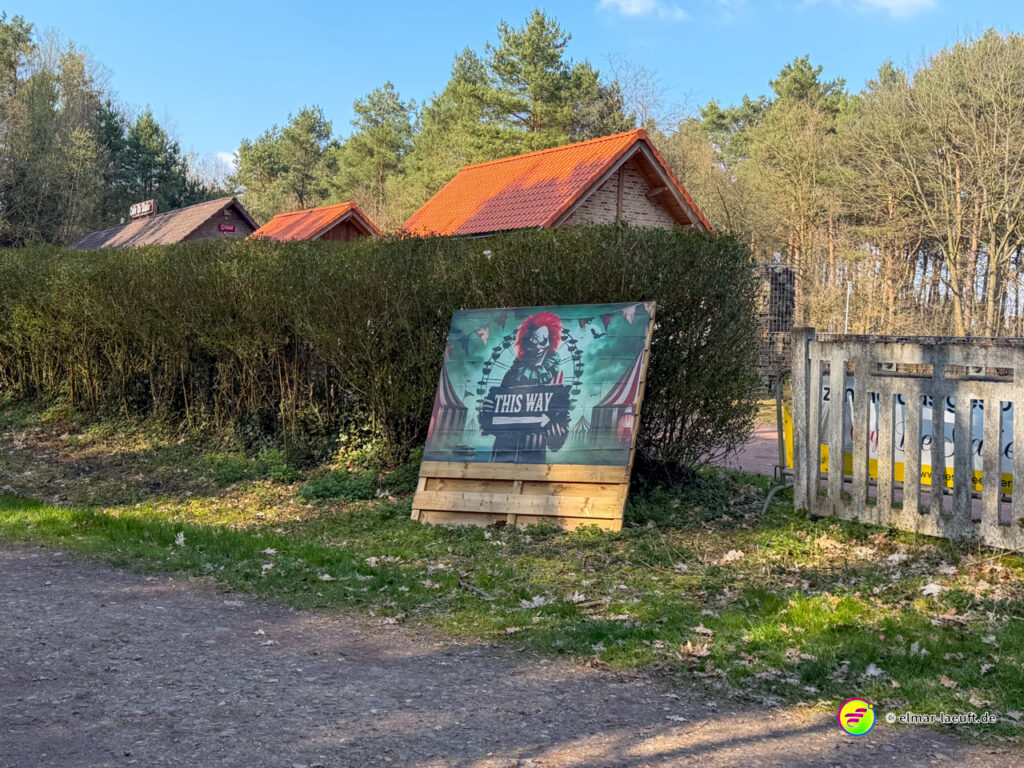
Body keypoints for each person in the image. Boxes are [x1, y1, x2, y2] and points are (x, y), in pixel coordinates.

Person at [480, 311, 570, 463]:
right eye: (533, 341)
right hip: (503, 451)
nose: (538, 348)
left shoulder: (556, 374)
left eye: (543, 342)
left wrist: (557, 432)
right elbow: (493, 415)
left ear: (550, 342)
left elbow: (560, 421)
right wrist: (488, 411)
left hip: (532, 454)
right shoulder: (513, 373)